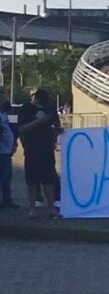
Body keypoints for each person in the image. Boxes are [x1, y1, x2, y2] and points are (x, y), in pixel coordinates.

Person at [19, 89, 62, 219]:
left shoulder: (50, 109)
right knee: (32, 181)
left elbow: (56, 126)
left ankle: (51, 208)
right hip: (32, 148)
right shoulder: (26, 109)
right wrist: (39, 121)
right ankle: (32, 208)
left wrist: (58, 132)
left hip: (47, 149)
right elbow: (22, 128)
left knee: (48, 181)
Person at [0, 99, 19, 210]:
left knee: (7, 177)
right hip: (2, 151)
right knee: (5, 177)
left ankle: (7, 200)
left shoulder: (4, 115)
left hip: (6, 151)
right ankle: (6, 200)